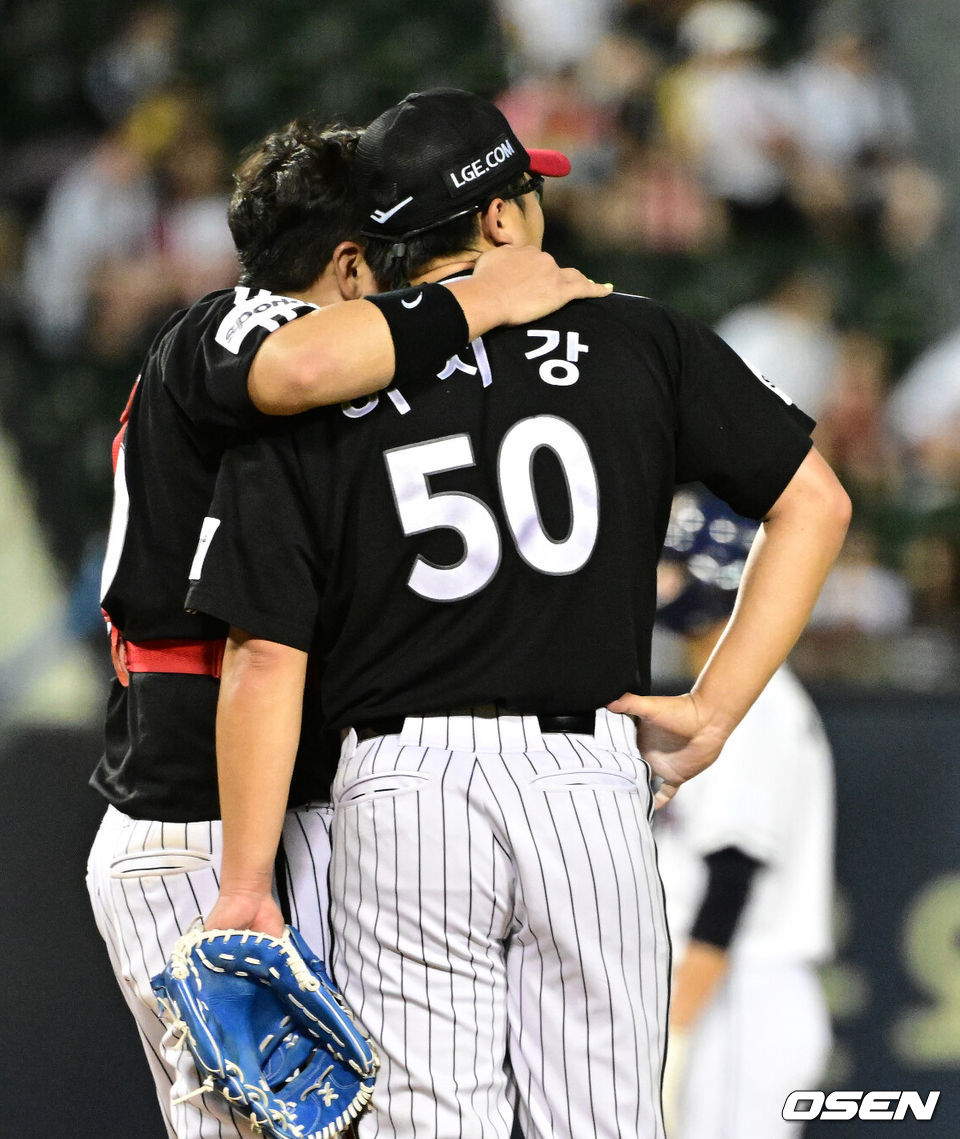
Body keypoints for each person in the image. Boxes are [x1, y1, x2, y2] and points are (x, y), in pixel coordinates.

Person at [186, 88, 851, 1139]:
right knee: (603, 1120)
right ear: (498, 215)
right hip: (579, 772)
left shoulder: (318, 379)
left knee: (430, 1124)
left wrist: (245, 881)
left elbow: (265, 651)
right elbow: (814, 500)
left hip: (402, 790)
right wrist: (716, 704)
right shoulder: (636, 336)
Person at [84, 118, 607, 1139]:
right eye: (394, 245)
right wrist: (483, 293)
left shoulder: (373, 382)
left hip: (294, 801)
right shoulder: (223, 329)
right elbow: (290, 369)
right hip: (187, 804)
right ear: (350, 261)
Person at [652, 486, 836, 1138]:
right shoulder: (732, 693)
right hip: (734, 996)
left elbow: (731, 882)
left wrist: (673, 1034)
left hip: (741, 997)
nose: (660, 578)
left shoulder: (754, 706)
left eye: (672, 561)